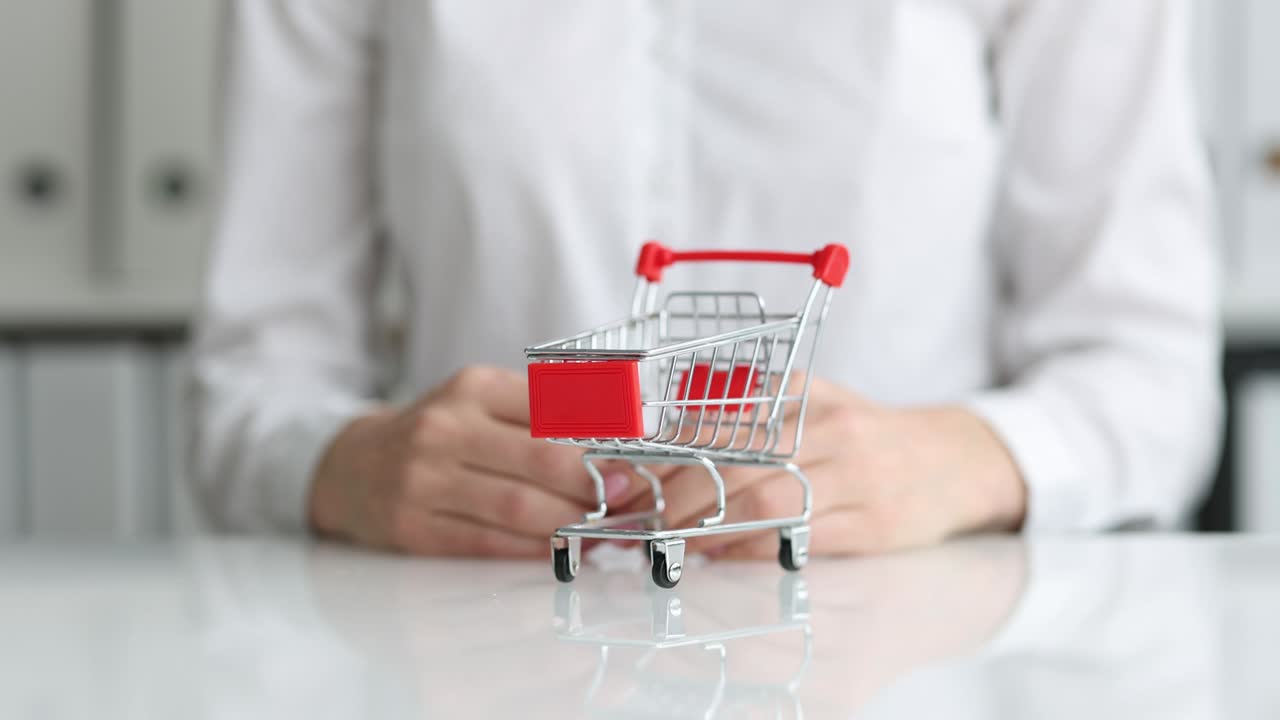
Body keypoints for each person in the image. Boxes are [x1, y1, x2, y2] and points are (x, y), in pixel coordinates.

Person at [191, 0, 1221, 558]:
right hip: (474, 648)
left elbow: (1148, 377)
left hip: (907, 655)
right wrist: (342, 464)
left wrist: (962, 459)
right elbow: (248, 389)